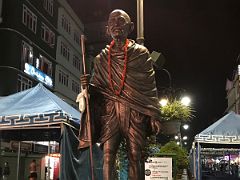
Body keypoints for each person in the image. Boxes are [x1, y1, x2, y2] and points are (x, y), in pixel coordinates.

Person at [77, 9, 161, 180]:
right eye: (112, 21)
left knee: (135, 155)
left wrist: (154, 115)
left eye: (121, 20)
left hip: (135, 111)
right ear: (107, 29)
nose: (116, 24)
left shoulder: (141, 53)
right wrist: (88, 87)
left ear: (130, 27)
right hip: (110, 111)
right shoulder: (101, 58)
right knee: (108, 155)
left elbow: (149, 87)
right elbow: (98, 88)